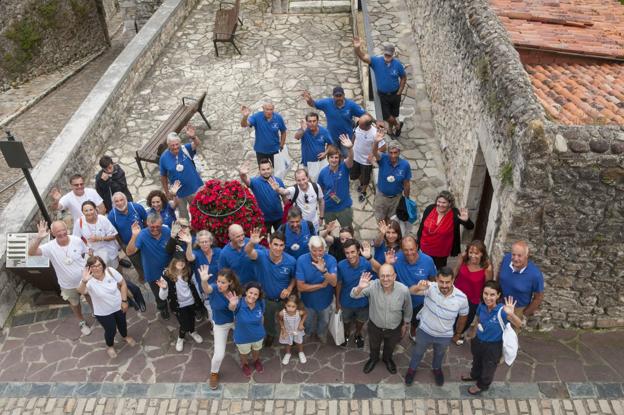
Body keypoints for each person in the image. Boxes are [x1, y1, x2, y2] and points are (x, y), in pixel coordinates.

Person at [404, 267, 469, 387]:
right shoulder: (430, 287)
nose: (444, 285)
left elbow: (463, 316)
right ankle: (411, 370)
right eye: (441, 282)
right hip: (424, 331)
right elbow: (410, 291)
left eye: (448, 282)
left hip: (445, 335)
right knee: (418, 352)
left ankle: (436, 369)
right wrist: (418, 287)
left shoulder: (462, 298)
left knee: (439, 354)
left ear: (453, 280)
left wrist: (458, 333)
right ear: (437, 280)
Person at [28, 220, 92, 336]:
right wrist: (39, 238)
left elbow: (85, 253)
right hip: (67, 284)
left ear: (67, 229)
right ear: (52, 233)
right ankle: (81, 321)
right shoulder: (49, 247)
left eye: (63, 230)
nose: (62, 233)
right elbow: (31, 252)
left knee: (90, 296)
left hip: (85, 279)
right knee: (74, 303)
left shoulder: (76, 240)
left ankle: (97, 312)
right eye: (58, 231)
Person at [462, 281, 522, 395]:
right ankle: (474, 375)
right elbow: (478, 319)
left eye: (492, 295)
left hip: (493, 346)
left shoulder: (502, 311)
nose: (488, 297)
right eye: (486, 293)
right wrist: (473, 336)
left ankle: (482, 385)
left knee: (488, 367)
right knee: (476, 361)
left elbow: (519, 324)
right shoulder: (482, 306)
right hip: (479, 341)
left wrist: (512, 314)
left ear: (498, 295)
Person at [351, 265, 412, 374]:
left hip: (394, 328)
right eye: (382, 276)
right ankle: (373, 359)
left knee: (390, 346)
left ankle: (387, 359)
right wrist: (360, 287)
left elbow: (408, 307)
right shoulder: (372, 286)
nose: (385, 279)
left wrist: (405, 324)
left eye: (388, 275)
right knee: (374, 346)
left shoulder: (403, 290)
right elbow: (353, 295)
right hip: (375, 326)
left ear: (394, 276)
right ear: (378, 277)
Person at [373, 236, 436, 340]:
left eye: (412, 249)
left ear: (417, 247)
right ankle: (399, 332)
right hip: (399, 299)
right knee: (398, 320)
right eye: (406, 250)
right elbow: (383, 274)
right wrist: (388, 263)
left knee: (415, 320)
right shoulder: (395, 258)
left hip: (419, 301)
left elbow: (433, 279)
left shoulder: (428, 260)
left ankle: (413, 330)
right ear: (401, 249)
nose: (409, 252)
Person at [245, 229, 296, 347]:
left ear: (284, 246)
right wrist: (252, 242)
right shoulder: (261, 255)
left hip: (284, 300)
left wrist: (289, 289)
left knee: (288, 318)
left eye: (281, 245)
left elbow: (293, 278)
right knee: (268, 320)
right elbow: (248, 251)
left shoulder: (291, 261)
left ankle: (290, 334)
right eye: (275, 244)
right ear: (270, 244)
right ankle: (271, 334)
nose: (278, 248)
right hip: (267, 299)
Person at [77, 256, 136, 358]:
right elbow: (81, 291)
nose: (97, 268)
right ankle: (110, 346)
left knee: (122, 323)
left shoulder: (110, 271)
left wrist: (124, 301)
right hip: (103, 312)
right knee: (110, 330)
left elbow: (123, 284)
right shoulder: (88, 281)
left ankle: (125, 336)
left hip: (119, 306)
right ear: (89, 268)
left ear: (103, 265)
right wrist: (84, 281)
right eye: (93, 266)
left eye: (99, 265)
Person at [199, 267, 242, 390]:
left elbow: (232, 310)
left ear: (230, 282)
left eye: (223, 282)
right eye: (218, 281)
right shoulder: (213, 289)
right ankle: (214, 373)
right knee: (219, 354)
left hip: (235, 321)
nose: (219, 284)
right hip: (220, 325)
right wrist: (203, 281)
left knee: (244, 341)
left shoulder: (235, 291)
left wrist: (233, 304)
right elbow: (206, 288)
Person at [353, 38, 407, 137]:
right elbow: (363, 57)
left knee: (393, 114)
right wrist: (357, 49)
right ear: (383, 53)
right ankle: (397, 125)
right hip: (383, 95)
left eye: (389, 55)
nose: (387, 56)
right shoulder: (376, 61)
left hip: (395, 94)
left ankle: (390, 130)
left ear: (393, 54)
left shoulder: (397, 64)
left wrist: (400, 91)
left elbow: (403, 77)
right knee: (387, 116)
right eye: (386, 54)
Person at [126, 213, 172, 319]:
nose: (155, 229)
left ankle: (173, 305)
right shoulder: (142, 235)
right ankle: (163, 308)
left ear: (162, 224)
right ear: (147, 224)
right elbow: (129, 252)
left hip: (169, 270)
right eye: (152, 227)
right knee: (158, 295)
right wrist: (134, 236)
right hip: (153, 273)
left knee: (171, 290)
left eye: (158, 226)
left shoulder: (167, 231)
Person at [156, 257, 204, 352]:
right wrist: (164, 288)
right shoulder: (166, 275)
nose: (181, 263)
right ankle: (180, 338)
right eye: (178, 260)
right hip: (178, 305)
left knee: (191, 318)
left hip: (191, 301)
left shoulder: (189, 272)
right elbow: (162, 297)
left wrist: (200, 297)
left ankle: (193, 332)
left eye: (183, 261)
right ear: (173, 262)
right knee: (184, 324)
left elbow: (196, 285)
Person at [295, 235, 337, 342]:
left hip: (325, 301)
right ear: (309, 249)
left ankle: (320, 333)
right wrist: (321, 285)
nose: (318, 253)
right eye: (314, 250)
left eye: (320, 250)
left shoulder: (331, 260)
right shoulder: (301, 260)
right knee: (307, 321)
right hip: (308, 302)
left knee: (324, 321)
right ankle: (308, 333)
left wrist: (324, 271)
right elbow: (300, 287)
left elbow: (333, 282)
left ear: (324, 248)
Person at [416, 190, 474, 268]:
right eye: (439, 202)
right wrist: (417, 244)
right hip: (424, 249)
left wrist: (466, 220)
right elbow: (421, 228)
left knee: (437, 273)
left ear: (450, 204)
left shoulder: (454, 213)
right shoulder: (430, 209)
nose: (440, 205)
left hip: (440, 253)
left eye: (444, 203)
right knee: (423, 269)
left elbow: (470, 227)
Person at [302, 87, 365, 156]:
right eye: (336, 96)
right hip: (332, 139)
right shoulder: (327, 103)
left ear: (344, 95)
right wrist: (309, 100)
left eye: (340, 96)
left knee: (347, 158)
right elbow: (314, 104)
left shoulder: (351, 105)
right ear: (333, 96)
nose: (338, 98)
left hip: (346, 139)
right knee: (333, 159)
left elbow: (364, 114)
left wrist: (375, 122)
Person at [159, 125, 203, 220]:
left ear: (180, 143)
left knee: (199, 211)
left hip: (194, 187)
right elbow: (163, 176)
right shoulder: (164, 158)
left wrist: (193, 136)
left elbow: (197, 143)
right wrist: (167, 192)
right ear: (168, 145)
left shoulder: (185, 149)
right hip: (178, 192)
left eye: (177, 144)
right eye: (172, 145)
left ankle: (199, 227)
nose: (175, 147)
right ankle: (187, 231)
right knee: (183, 216)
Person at [497, 240, 544, 330]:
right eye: (513, 254)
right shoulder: (506, 259)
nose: (515, 258)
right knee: (493, 333)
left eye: (519, 255)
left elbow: (538, 298)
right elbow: (499, 276)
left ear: (526, 256)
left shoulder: (535, 274)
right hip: (500, 304)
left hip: (517, 310)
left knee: (509, 339)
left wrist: (524, 314)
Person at [453, 240, 493, 344]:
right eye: (471, 252)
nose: (473, 256)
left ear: (482, 254)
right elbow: (455, 271)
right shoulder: (463, 259)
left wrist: (485, 301)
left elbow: (488, 286)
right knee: (452, 315)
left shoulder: (486, 268)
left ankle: (460, 334)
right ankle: (451, 332)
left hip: (472, 300)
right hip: (456, 294)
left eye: (476, 253)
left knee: (467, 319)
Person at [336, 239, 373, 348]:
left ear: (358, 251)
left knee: (361, 321)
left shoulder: (366, 264)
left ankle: (358, 334)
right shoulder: (341, 265)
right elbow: (339, 284)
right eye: (347, 253)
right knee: (346, 321)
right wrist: (337, 302)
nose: (350, 255)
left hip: (363, 302)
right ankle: (346, 333)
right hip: (346, 302)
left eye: (352, 252)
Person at [228, 281, 266, 377]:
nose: (252, 296)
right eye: (250, 292)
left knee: (256, 350)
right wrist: (232, 304)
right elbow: (231, 308)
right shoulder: (239, 303)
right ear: (246, 292)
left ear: (259, 296)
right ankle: (245, 364)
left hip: (257, 335)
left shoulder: (261, 303)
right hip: (242, 337)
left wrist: (261, 329)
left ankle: (256, 361)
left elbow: (262, 317)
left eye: (255, 294)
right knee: (243, 353)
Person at [372, 134, 411, 222]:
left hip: (396, 198)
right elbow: (374, 152)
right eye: (391, 152)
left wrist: (406, 199)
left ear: (399, 152)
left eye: (395, 152)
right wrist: (376, 142)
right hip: (381, 197)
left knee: (392, 220)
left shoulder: (405, 165)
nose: (393, 155)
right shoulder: (383, 158)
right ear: (388, 152)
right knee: (380, 220)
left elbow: (406, 183)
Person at [239, 159, 285, 233]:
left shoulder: (278, 181)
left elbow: (284, 197)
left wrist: (287, 211)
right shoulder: (255, 182)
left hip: (279, 217)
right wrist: (242, 174)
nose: (266, 171)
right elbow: (246, 180)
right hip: (264, 219)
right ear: (259, 170)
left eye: (268, 169)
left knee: (281, 239)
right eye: (263, 169)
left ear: (271, 169)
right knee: (265, 241)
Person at [108, 192, 147, 277]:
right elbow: (115, 233)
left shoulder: (136, 207)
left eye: (121, 200)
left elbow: (146, 220)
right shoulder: (112, 215)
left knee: (148, 258)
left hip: (144, 240)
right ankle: (142, 275)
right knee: (136, 262)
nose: (120, 203)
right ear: (114, 203)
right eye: (116, 201)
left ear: (126, 200)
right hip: (129, 244)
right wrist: (122, 245)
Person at [317, 138, 355, 227]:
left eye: (336, 157)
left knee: (348, 229)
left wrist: (350, 148)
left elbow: (350, 159)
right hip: (329, 208)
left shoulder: (344, 167)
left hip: (344, 207)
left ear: (339, 158)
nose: (334, 160)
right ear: (327, 158)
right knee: (329, 232)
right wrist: (321, 213)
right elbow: (320, 191)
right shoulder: (323, 173)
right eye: (331, 157)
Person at [351, 113, 386, 203]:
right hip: (355, 157)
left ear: (367, 125)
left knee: (366, 177)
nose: (359, 125)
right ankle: (362, 183)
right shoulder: (358, 125)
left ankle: (363, 191)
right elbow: (355, 134)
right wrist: (351, 146)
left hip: (366, 161)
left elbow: (383, 147)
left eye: (361, 125)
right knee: (355, 175)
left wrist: (373, 155)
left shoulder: (375, 133)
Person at [186, 230, 221, 317]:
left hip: (220, 287)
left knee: (223, 307)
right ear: (198, 243)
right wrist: (189, 243)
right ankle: (215, 327)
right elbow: (190, 258)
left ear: (211, 242)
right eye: (202, 242)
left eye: (206, 241)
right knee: (212, 312)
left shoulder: (218, 252)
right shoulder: (197, 254)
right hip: (206, 290)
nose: (204, 244)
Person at [240, 102, 287, 166]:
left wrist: (281, 145)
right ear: (263, 109)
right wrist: (245, 117)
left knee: (279, 171)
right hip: (261, 151)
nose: (269, 112)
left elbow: (283, 131)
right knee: (264, 172)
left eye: (271, 109)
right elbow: (244, 125)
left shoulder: (278, 117)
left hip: (275, 150)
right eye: (267, 109)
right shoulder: (256, 117)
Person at [76, 201, 120, 268]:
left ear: (95, 209)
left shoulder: (102, 219)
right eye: (86, 210)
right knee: (102, 272)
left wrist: (99, 238)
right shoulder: (79, 222)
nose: (89, 212)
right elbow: (77, 239)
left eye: (91, 209)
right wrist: (87, 249)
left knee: (115, 268)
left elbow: (114, 236)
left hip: (109, 250)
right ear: (82, 212)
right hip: (94, 254)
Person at [293, 112, 333, 178]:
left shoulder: (324, 131)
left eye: (314, 121)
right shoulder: (304, 130)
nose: (312, 123)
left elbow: (330, 143)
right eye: (309, 121)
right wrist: (303, 129)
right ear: (307, 122)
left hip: (320, 163)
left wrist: (325, 153)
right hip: (307, 163)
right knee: (309, 182)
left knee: (321, 181)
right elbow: (297, 137)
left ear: (317, 121)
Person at [278, 294, 307, 364]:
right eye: (289, 306)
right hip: (287, 331)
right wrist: (283, 329)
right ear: (285, 305)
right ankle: (288, 353)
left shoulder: (299, 312)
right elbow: (280, 320)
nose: (290, 308)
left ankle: (301, 352)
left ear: (297, 306)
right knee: (288, 343)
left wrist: (301, 323)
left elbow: (305, 314)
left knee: (299, 342)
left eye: (293, 306)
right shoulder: (282, 313)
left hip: (298, 330)